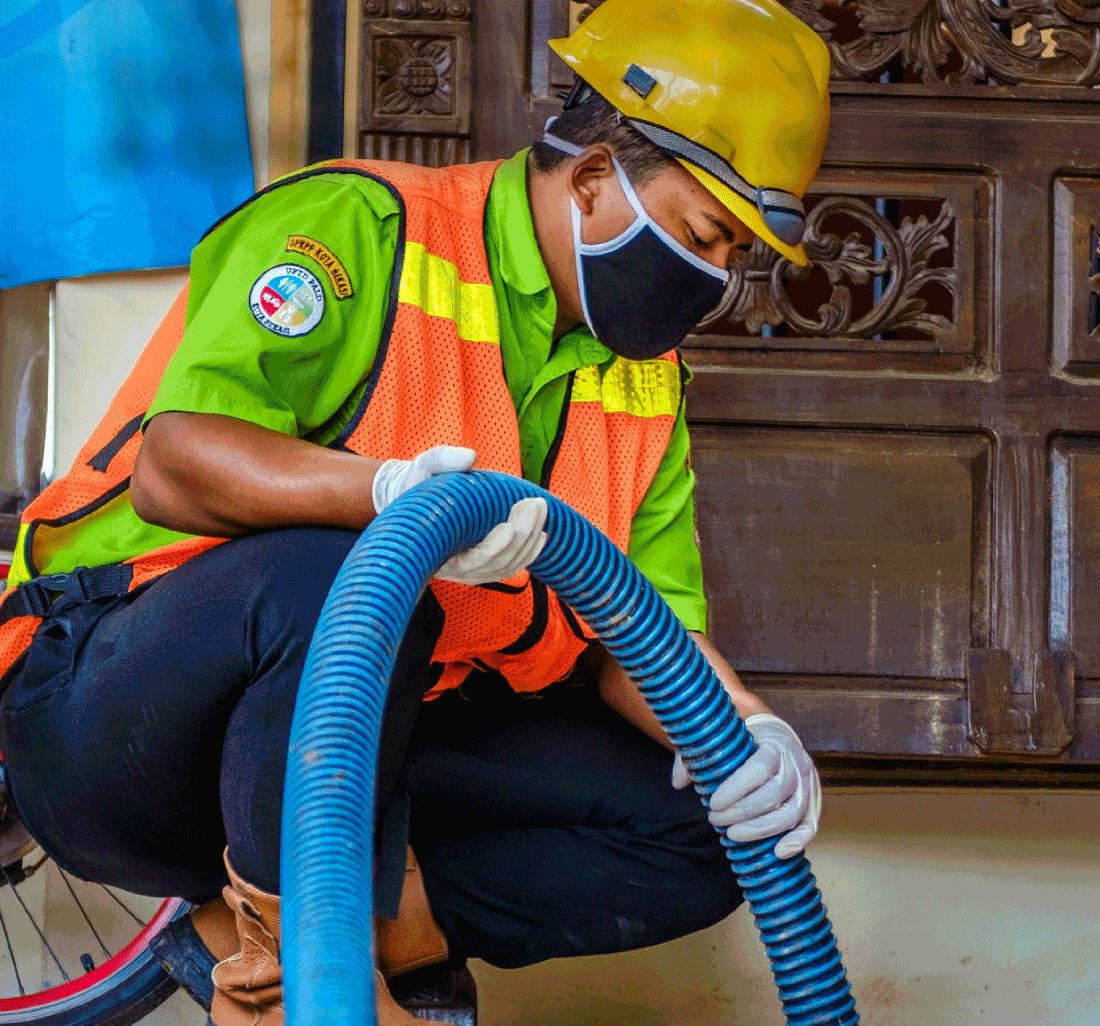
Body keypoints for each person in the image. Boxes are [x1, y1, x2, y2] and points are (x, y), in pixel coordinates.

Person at [0, 0, 831, 1022]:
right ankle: (287, 987)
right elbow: (175, 467)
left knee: (707, 832)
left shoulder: (644, 384)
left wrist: (747, 737)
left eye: (738, 256)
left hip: (358, 754)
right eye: (709, 236)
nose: (717, 278)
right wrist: (382, 492)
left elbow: (639, 632)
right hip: (113, 711)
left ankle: (342, 937)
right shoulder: (364, 232)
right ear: (590, 177)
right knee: (331, 581)